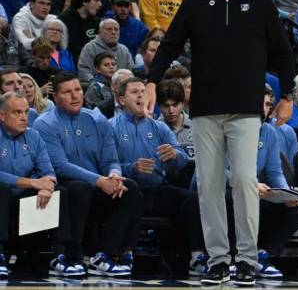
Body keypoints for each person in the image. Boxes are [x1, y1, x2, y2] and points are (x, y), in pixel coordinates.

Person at [143, 0, 295, 287]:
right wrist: (152, 81)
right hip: (205, 110)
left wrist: (286, 95)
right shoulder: (195, 4)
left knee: (243, 180)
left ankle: (246, 258)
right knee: (208, 185)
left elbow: (283, 51)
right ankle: (217, 259)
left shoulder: (260, 3)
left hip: (246, 110)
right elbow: (169, 45)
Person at [33, 72, 143, 277]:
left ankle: (106, 256)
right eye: (67, 92)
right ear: (56, 98)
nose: (75, 96)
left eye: (77, 90)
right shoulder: (44, 123)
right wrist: (99, 180)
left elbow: (111, 160)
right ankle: (71, 255)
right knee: (78, 188)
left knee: (130, 188)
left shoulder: (97, 119)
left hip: (98, 185)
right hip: (63, 187)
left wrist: (114, 175)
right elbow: (59, 166)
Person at [110, 77, 207, 276]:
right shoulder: (111, 127)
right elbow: (106, 165)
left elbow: (180, 157)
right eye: (134, 92)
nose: (140, 95)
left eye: (143, 92)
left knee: (190, 199)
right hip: (126, 191)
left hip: (157, 189)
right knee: (132, 193)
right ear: (121, 99)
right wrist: (131, 168)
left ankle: (197, 257)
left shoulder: (159, 127)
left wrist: (174, 156)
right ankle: (124, 254)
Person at [0, 91, 86, 278]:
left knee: (59, 192)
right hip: (4, 195)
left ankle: (59, 257)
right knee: (2, 189)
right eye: (17, 113)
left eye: (25, 112)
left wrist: (47, 186)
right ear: (2, 115)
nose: (24, 117)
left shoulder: (34, 136)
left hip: (24, 198)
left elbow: (48, 170)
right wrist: (32, 182)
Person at [254, 85, 298, 277]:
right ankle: (234, 256)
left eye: (269, 104)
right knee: (239, 197)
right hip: (229, 188)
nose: (265, 108)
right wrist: (250, 185)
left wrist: (286, 193)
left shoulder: (269, 131)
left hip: (260, 188)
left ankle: (264, 254)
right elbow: (222, 172)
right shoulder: (227, 128)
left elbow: (274, 170)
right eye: (261, 103)